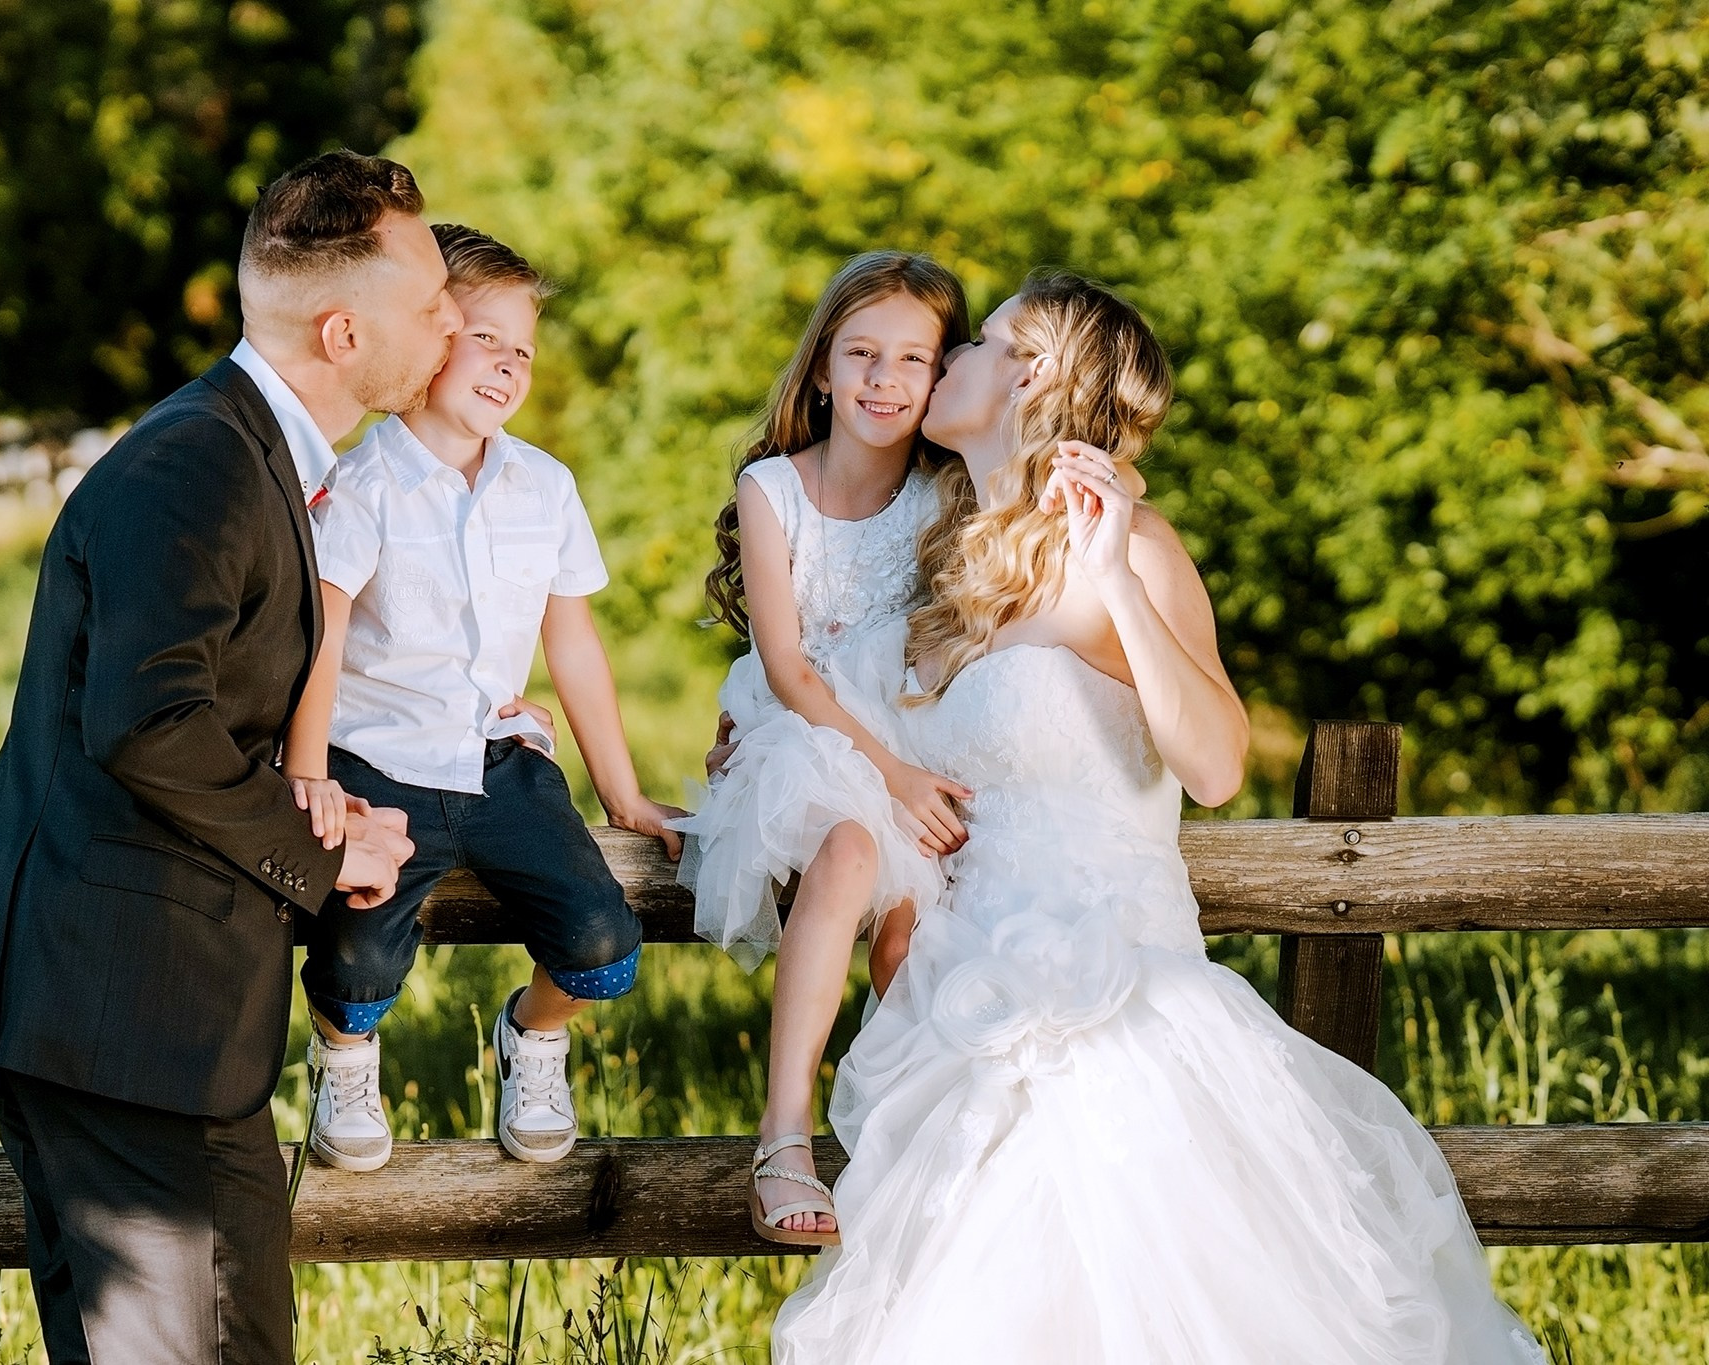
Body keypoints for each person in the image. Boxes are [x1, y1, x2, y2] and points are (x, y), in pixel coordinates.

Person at [770, 271, 1545, 1363]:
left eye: (981, 342)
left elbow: (1216, 764)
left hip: (1113, 997)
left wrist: (1118, 585)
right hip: (958, 1007)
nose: (948, 358)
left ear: (1032, 376)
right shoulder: (948, 569)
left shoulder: (1131, 546)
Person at [0, 150, 449, 1365]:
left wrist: (320, 801)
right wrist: (323, 851)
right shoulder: (197, 460)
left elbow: (199, 709)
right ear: (344, 333)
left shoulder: (249, 451)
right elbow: (146, 722)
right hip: (121, 1012)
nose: (452, 325)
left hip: (133, 1011)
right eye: (431, 302)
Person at [279, 224, 683, 1173]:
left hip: (502, 764)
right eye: (484, 338)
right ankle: (344, 1057)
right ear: (427, 339)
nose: (508, 363)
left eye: (523, 350)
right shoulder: (361, 482)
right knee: (357, 960)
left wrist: (622, 794)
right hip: (377, 766)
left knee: (601, 942)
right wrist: (309, 774)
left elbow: (572, 643)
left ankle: (532, 1035)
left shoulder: (545, 485)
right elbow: (321, 637)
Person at [667, 252, 971, 1246]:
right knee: (848, 847)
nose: (884, 379)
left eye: (913, 359)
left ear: (942, 376)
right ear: (824, 368)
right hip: (798, 736)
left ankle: (927, 1157)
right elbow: (790, 669)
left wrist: (913, 771)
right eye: (861, 354)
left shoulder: (946, 496)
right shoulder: (773, 489)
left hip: (911, 738)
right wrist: (892, 778)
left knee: (911, 931)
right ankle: (783, 1139)